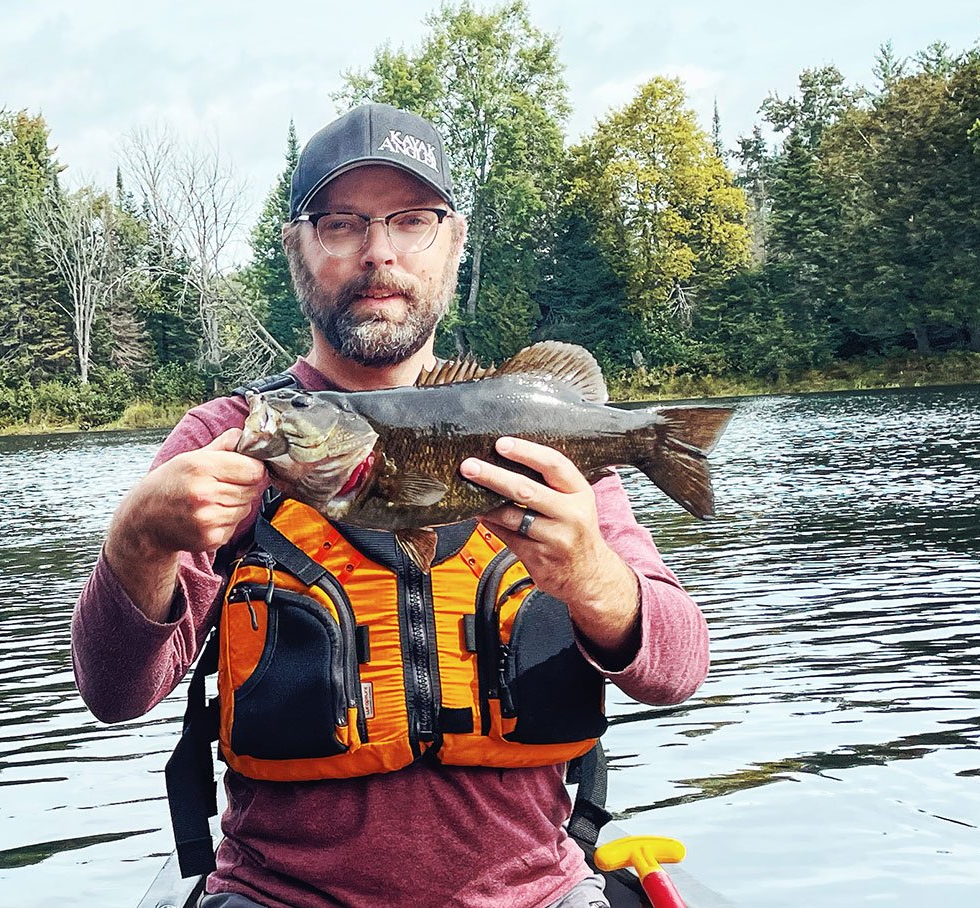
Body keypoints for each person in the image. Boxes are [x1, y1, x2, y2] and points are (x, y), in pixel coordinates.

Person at [72, 103, 710, 908]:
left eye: (412, 221)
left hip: (537, 894)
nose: (379, 253)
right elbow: (114, 694)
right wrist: (135, 541)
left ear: (454, 240)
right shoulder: (225, 441)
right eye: (341, 224)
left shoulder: (535, 429)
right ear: (296, 249)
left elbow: (678, 671)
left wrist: (590, 575)